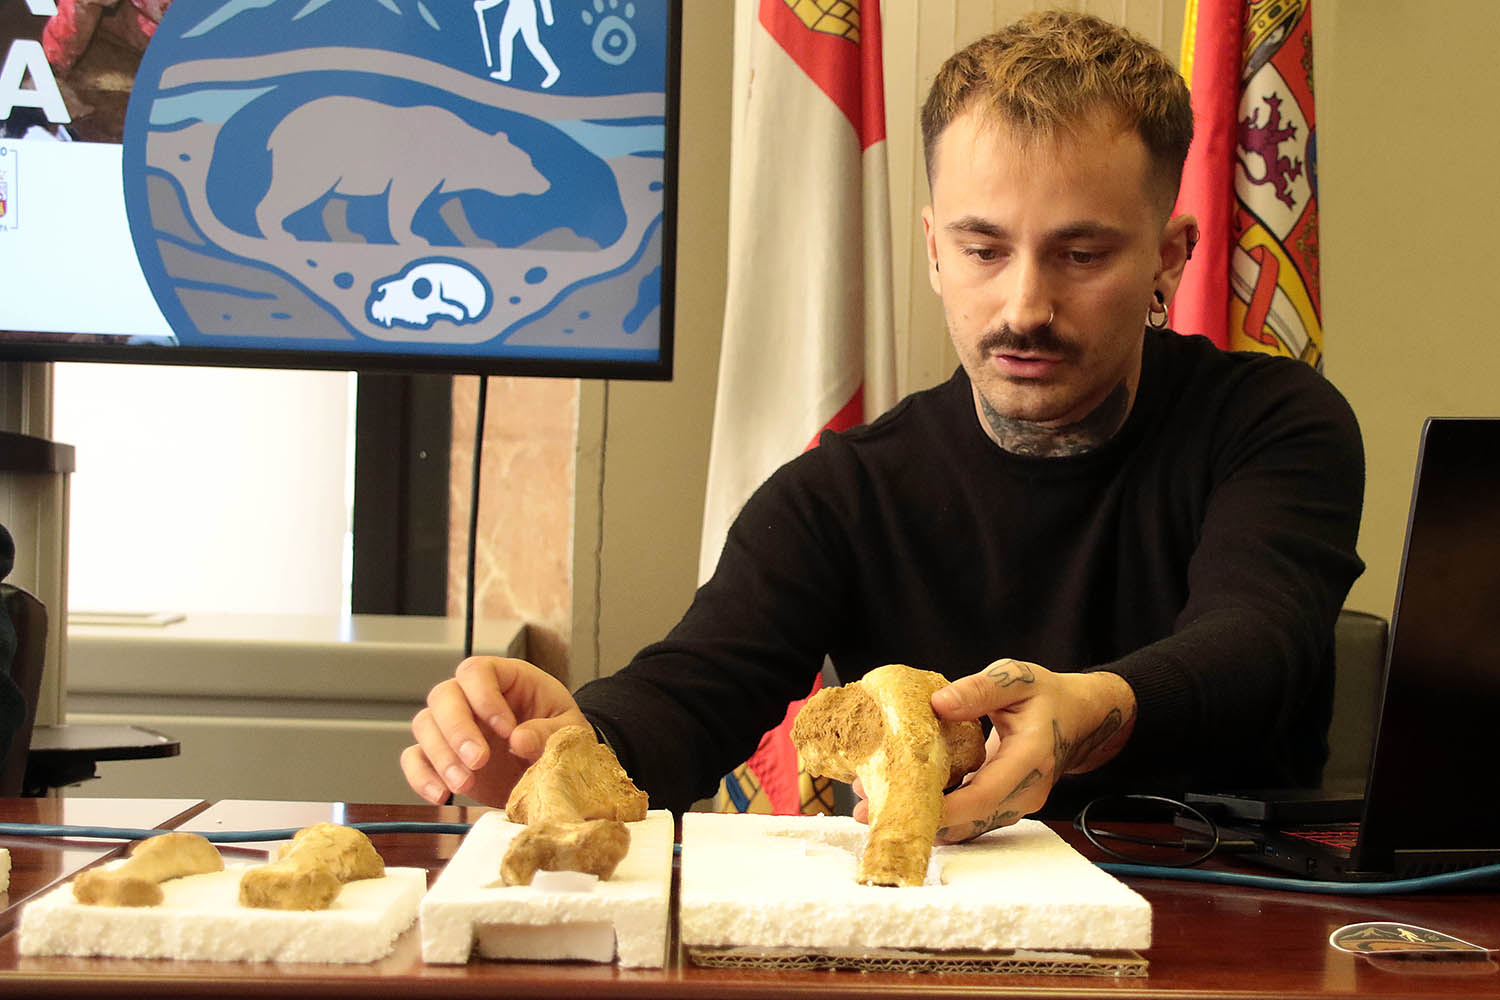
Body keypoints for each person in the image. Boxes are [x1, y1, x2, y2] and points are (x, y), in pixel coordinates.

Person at [402, 11, 1364, 838]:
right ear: (934, 248)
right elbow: (691, 692)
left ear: (1169, 258)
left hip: (1235, 922)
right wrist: (567, 747)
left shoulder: (1276, 423)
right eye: (983, 249)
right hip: (937, 929)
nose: (1024, 304)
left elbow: (1260, 639)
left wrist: (1090, 708)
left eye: (1080, 254)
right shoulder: (845, 490)